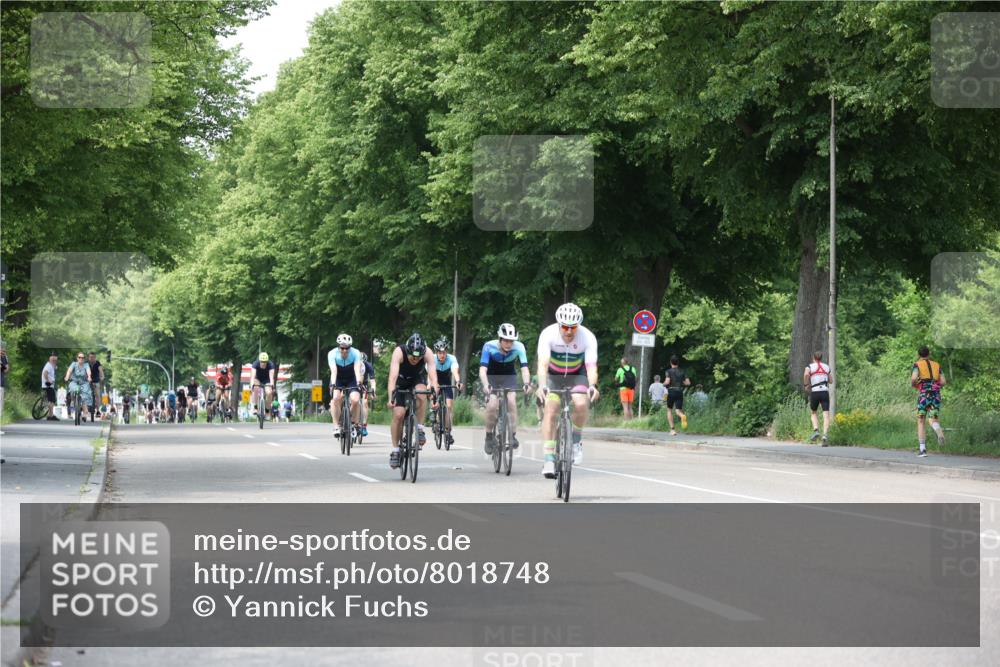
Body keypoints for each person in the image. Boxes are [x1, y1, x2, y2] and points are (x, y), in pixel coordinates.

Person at [536, 303, 599, 477]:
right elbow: (543, 363)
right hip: (553, 376)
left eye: (573, 327)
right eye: (564, 327)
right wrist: (542, 385)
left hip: (576, 375)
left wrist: (593, 386)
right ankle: (549, 459)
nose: (569, 331)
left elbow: (591, 367)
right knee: (551, 410)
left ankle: (576, 440)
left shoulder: (587, 337)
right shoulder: (548, 334)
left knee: (581, 403)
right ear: (558, 324)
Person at [386, 333, 439, 469]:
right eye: (412, 356)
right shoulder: (399, 352)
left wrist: (435, 395)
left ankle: (419, 428)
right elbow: (392, 377)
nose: (415, 359)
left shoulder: (427, 353)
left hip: (417, 379)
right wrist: (390, 398)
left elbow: (433, 378)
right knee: (398, 414)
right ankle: (395, 451)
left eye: (418, 357)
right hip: (401, 381)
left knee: (422, 393)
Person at [479, 323, 531, 455]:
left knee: (512, 402)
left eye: (511, 341)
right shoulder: (489, 346)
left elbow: (524, 368)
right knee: (492, 406)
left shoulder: (519, 347)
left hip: (508, 376)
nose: (509, 344)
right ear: (500, 339)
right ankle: (489, 436)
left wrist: (526, 383)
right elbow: (482, 370)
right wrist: (486, 385)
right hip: (491, 377)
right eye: (506, 340)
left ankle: (512, 435)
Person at [911, 346, 947, 457]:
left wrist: (914, 385)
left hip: (924, 395)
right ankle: (939, 432)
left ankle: (922, 449)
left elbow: (913, 378)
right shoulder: (937, 365)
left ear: (919, 355)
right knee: (933, 419)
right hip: (935, 395)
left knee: (921, 420)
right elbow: (944, 382)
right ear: (929, 354)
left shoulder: (917, 365)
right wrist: (935, 386)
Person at [328, 334, 364, 438]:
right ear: (338, 346)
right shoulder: (332, 354)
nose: (344, 350)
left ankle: (350, 420)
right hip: (338, 378)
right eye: (342, 348)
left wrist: (358, 382)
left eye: (347, 348)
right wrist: (333, 384)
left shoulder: (356, 353)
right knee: (335, 398)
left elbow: (357, 369)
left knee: (355, 400)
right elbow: (333, 370)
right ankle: (336, 425)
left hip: (351, 378)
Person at [432, 337, 462, 448]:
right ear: (436, 353)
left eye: (444, 352)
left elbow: (454, 371)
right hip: (434, 378)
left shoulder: (452, 358)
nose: (442, 355)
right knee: (433, 393)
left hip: (446, 381)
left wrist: (458, 381)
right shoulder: (432, 359)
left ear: (446, 352)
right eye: (439, 353)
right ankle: (433, 412)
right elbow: (431, 375)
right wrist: (432, 384)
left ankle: (448, 432)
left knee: (449, 407)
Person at [802, 351, 832, 446]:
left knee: (813, 412)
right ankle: (825, 435)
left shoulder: (810, 366)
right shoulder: (826, 367)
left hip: (815, 391)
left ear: (813, 358)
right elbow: (831, 381)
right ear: (821, 358)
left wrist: (806, 384)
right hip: (824, 392)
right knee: (826, 414)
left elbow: (806, 374)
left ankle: (816, 430)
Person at [664, 355, 690, 435]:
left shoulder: (668, 371)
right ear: (678, 362)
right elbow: (688, 383)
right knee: (678, 410)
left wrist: (663, 384)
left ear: (670, 362)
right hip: (679, 391)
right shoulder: (682, 371)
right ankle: (682, 416)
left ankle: (672, 430)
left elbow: (667, 382)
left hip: (671, 391)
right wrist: (682, 382)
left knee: (669, 410)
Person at [64, 353, 94, 421]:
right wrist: (67, 377)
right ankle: (72, 401)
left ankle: (84, 413)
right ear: (77, 358)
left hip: (83, 383)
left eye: (83, 358)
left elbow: (88, 371)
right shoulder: (74, 364)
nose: (81, 359)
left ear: (84, 359)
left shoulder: (86, 365)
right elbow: (69, 371)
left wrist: (89, 377)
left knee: (85, 396)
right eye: (80, 357)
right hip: (74, 382)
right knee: (72, 389)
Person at [251, 353, 277, 418]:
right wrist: (252, 386)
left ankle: (267, 410)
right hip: (258, 378)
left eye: (265, 362)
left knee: (269, 393)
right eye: (262, 362)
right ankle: (255, 407)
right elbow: (253, 376)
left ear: (267, 361)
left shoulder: (270, 365)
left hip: (267, 380)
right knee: (256, 388)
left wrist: (272, 386)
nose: (263, 363)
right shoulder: (255, 364)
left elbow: (271, 378)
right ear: (259, 361)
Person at [360, 352, 376, 437]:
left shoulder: (368, 365)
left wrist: (373, 391)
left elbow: (372, 380)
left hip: (364, 384)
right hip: (352, 382)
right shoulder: (351, 363)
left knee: (365, 402)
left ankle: (364, 426)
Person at [41, 354, 60, 420]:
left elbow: (52, 370)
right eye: (53, 360)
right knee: (52, 400)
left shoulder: (50, 365)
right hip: (48, 385)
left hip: (48, 385)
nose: (54, 361)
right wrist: (49, 381)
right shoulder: (48, 366)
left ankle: (50, 415)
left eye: (55, 360)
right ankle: (51, 415)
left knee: (51, 400)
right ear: (50, 360)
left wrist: (55, 367)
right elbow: (45, 373)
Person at [87, 351, 104, 423]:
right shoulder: (86, 364)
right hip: (88, 381)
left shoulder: (97, 363)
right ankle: (86, 408)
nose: (92, 358)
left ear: (95, 358)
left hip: (96, 381)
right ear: (88, 357)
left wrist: (102, 377)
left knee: (97, 395)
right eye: (90, 357)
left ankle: (98, 410)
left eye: (93, 357)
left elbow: (101, 371)